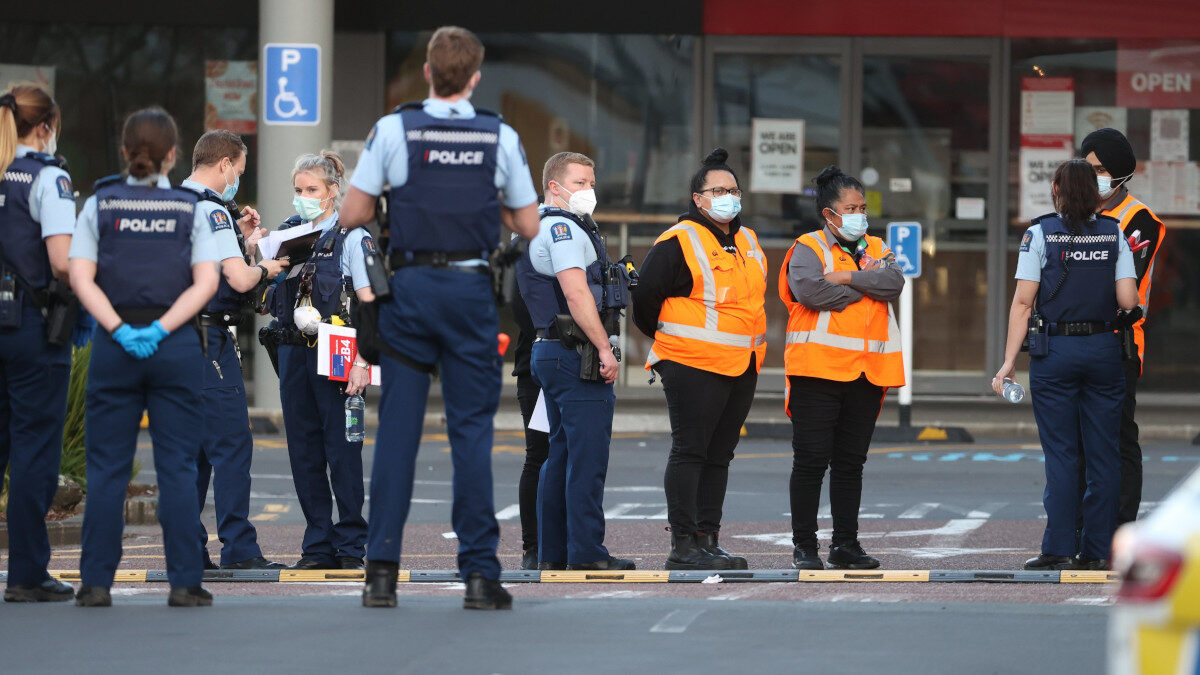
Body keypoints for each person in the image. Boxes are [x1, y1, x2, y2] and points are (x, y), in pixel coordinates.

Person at [338, 25, 540, 609]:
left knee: (397, 434)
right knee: (471, 434)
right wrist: (483, 201)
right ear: (475, 77)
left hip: (411, 289)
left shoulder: (395, 128)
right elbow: (528, 226)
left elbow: (353, 212)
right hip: (470, 291)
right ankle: (479, 574)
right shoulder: (498, 136)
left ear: (427, 71)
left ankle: (380, 574)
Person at [69, 107, 221, 606]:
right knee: (177, 465)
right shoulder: (189, 207)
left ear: (124, 152)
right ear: (173, 155)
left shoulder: (100, 203)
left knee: (108, 468)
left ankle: (94, 584)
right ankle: (184, 583)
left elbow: (80, 277)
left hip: (116, 345)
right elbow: (206, 283)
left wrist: (118, 328)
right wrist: (160, 328)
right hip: (174, 345)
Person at [994, 159, 1139, 571]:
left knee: (1061, 453)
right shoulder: (1115, 233)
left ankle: (1058, 547)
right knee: (1105, 455)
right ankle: (1097, 551)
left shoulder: (1038, 234)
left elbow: (1023, 302)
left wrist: (1008, 362)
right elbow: (1128, 301)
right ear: (1096, 194)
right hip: (1103, 350)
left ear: (1056, 190)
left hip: (1054, 353)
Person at [632, 148, 767, 571]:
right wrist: (672, 341)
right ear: (698, 198)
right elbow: (644, 298)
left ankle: (709, 539)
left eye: (733, 189)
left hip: (741, 363)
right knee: (691, 450)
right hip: (691, 362)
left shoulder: (746, 239)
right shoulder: (679, 241)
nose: (728, 196)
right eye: (718, 190)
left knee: (719, 454)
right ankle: (684, 544)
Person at [780, 166, 904, 571]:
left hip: (867, 374)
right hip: (818, 370)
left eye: (862, 207)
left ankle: (845, 545)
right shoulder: (808, 246)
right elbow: (811, 291)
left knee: (851, 463)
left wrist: (848, 276)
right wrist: (865, 283)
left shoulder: (876, 245)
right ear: (829, 214)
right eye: (850, 208)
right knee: (812, 459)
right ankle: (805, 546)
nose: (859, 215)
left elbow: (894, 284)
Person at [517, 151, 634, 573]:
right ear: (554, 186)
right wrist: (605, 348)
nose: (589, 190)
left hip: (550, 350)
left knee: (561, 454)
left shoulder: (539, 226)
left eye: (590, 181)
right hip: (574, 352)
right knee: (586, 457)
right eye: (580, 182)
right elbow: (576, 293)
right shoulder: (563, 227)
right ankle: (586, 550)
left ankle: (554, 550)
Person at [181, 130, 288, 571]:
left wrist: (242, 245)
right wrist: (266, 264)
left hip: (177, 336)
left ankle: (187, 548)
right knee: (230, 445)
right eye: (239, 171)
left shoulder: (176, 202)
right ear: (224, 164)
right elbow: (240, 281)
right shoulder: (212, 210)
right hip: (209, 340)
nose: (237, 181)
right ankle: (240, 549)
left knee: (196, 452)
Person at [265, 151, 373, 571]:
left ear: (333, 191)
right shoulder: (287, 236)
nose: (303, 198)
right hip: (293, 353)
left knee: (343, 450)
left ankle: (349, 548)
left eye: (311, 190)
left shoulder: (352, 236)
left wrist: (363, 361)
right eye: (298, 190)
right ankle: (317, 546)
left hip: (339, 349)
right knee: (304, 452)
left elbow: (368, 306)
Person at [0, 84, 79, 602]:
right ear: (45, 127)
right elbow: (61, 260)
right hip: (29, 325)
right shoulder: (48, 177)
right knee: (33, 447)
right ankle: (27, 573)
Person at [1081, 128, 1166, 526]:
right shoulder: (1074, 216)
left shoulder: (1138, 219)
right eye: (1086, 167)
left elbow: (1122, 284)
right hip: (1073, 342)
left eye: (1099, 169)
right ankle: (1078, 531)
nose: (1091, 175)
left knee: (1116, 439)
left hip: (1119, 343)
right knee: (1076, 442)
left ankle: (1118, 529)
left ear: (1119, 174)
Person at [510, 279, 550, 570]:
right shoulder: (531, 246)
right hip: (535, 367)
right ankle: (533, 546)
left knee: (575, 455)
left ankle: (566, 541)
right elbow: (523, 310)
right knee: (538, 454)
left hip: (577, 362)